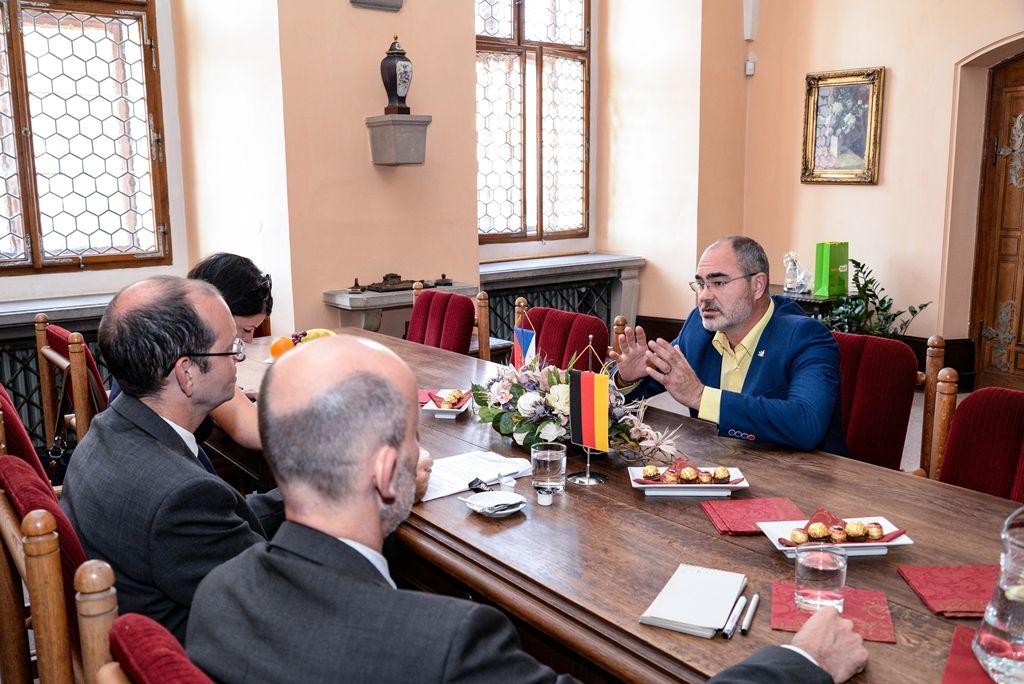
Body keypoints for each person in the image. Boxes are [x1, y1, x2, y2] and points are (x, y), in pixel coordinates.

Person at [186, 334, 867, 683]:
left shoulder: (218, 594)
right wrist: (801, 663)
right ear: (387, 474)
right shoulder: (445, 646)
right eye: (418, 442)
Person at [60, 276, 286, 643]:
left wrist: (311, 496)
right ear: (187, 374)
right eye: (231, 350)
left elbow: (219, 524)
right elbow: (279, 602)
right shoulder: (181, 498)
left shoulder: (109, 429)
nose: (238, 361)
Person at [610, 236, 846, 454]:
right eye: (701, 284)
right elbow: (642, 389)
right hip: (718, 468)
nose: (704, 296)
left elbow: (806, 425)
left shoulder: (805, 336)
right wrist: (626, 379)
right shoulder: (698, 328)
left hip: (804, 483)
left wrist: (701, 396)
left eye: (719, 283)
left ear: (757, 286)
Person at [186, 252, 274, 449]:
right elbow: (257, 433)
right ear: (219, 311)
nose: (249, 340)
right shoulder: (200, 358)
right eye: (246, 330)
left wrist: (236, 396)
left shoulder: (174, 335)